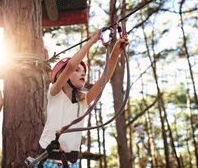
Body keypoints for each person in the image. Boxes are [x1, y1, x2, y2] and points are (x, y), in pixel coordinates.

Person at [38, 30, 129, 168]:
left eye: (84, 72)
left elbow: (105, 78)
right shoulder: (54, 93)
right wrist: (92, 41)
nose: (82, 74)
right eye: (77, 70)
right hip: (49, 161)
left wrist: (116, 52)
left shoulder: (83, 101)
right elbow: (69, 67)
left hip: (72, 164)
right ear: (62, 75)